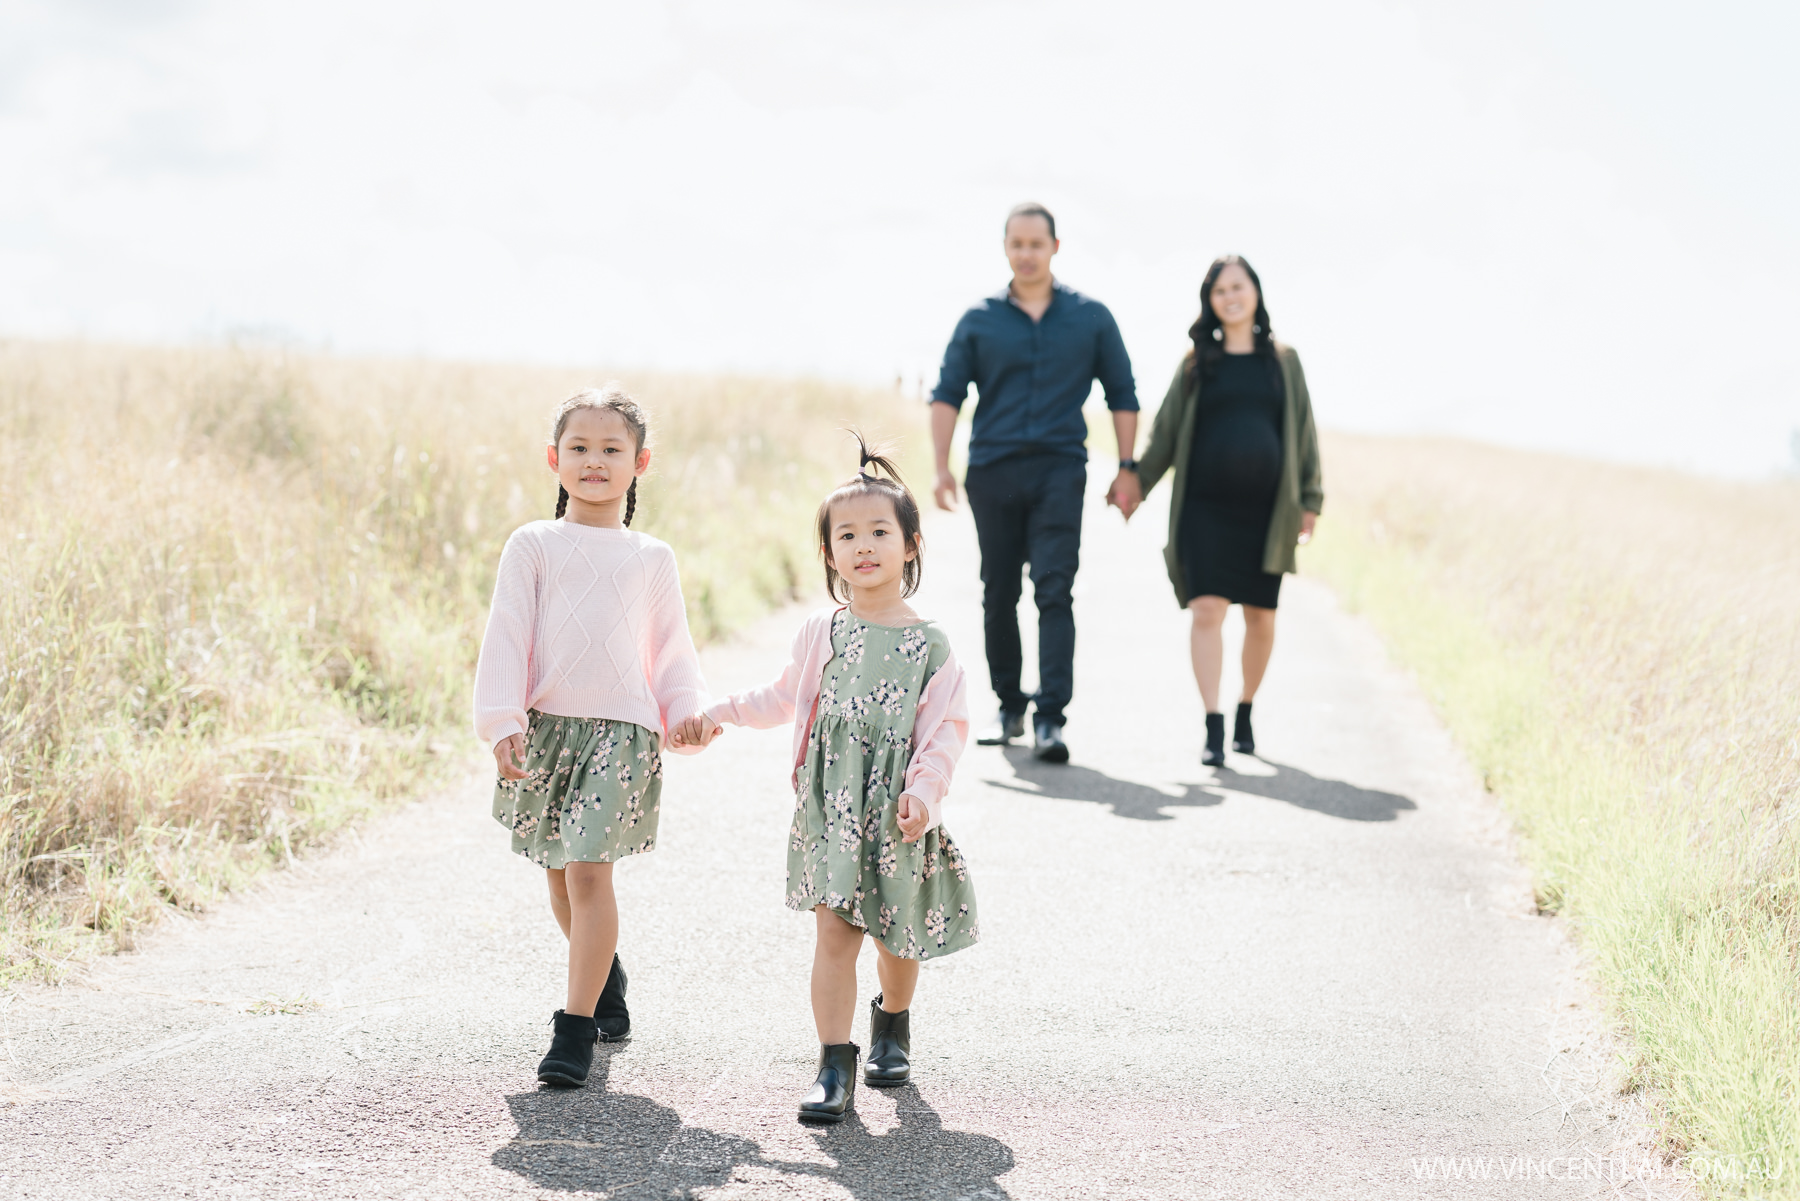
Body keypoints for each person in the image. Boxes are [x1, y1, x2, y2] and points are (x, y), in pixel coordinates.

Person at [677, 439, 976, 1125]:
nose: (863, 545)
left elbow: (944, 735)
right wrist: (717, 714)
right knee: (835, 936)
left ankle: (892, 1020)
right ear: (829, 554)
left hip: (897, 815)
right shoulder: (824, 632)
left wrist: (923, 797)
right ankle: (833, 1062)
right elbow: (783, 695)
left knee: (896, 942)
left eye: (879, 531)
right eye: (847, 534)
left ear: (911, 544)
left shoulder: (930, 646)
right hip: (831, 813)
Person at [473, 385, 712, 1089]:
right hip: (547, 729)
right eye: (580, 447)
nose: (595, 460)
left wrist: (686, 709)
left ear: (640, 462)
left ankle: (574, 1030)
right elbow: (507, 635)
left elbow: (671, 650)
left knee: (587, 870)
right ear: (554, 458)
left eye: (612, 449)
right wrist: (502, 722)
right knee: (557, 874)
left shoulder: (650, 556)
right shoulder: (533, 544)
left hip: (621, 731)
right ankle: (604, 976)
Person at [928, 202, 1139, 763]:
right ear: (1005, 248)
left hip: (1059, 470)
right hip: (993, 471)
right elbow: (948, 393)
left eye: (1036, 244)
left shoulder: (1091, 318)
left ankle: (1050, 718)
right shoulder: (978, 319)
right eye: (1016, 244)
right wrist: (941, 466)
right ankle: (1009, 706)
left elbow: (1123, 393)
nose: (1026, 253)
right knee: (998, 591)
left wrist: (1127, 466)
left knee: (1053, 587)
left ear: (1054, 247)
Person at [1115, 256, 1323, 766]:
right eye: (1219, 289)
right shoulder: (1195, 363)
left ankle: (1245, 709)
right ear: (1209, 301)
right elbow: (1165, 433)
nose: (1230, 296)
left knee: (1261, 616)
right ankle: (1213, 724)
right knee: (1208, 609)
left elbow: (1303, 434)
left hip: (1266, 514)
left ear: (1255, 291)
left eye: (1239, 286)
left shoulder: (1283, 360)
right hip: (1203, 510)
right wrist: (1135, 481)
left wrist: (1310, 501)